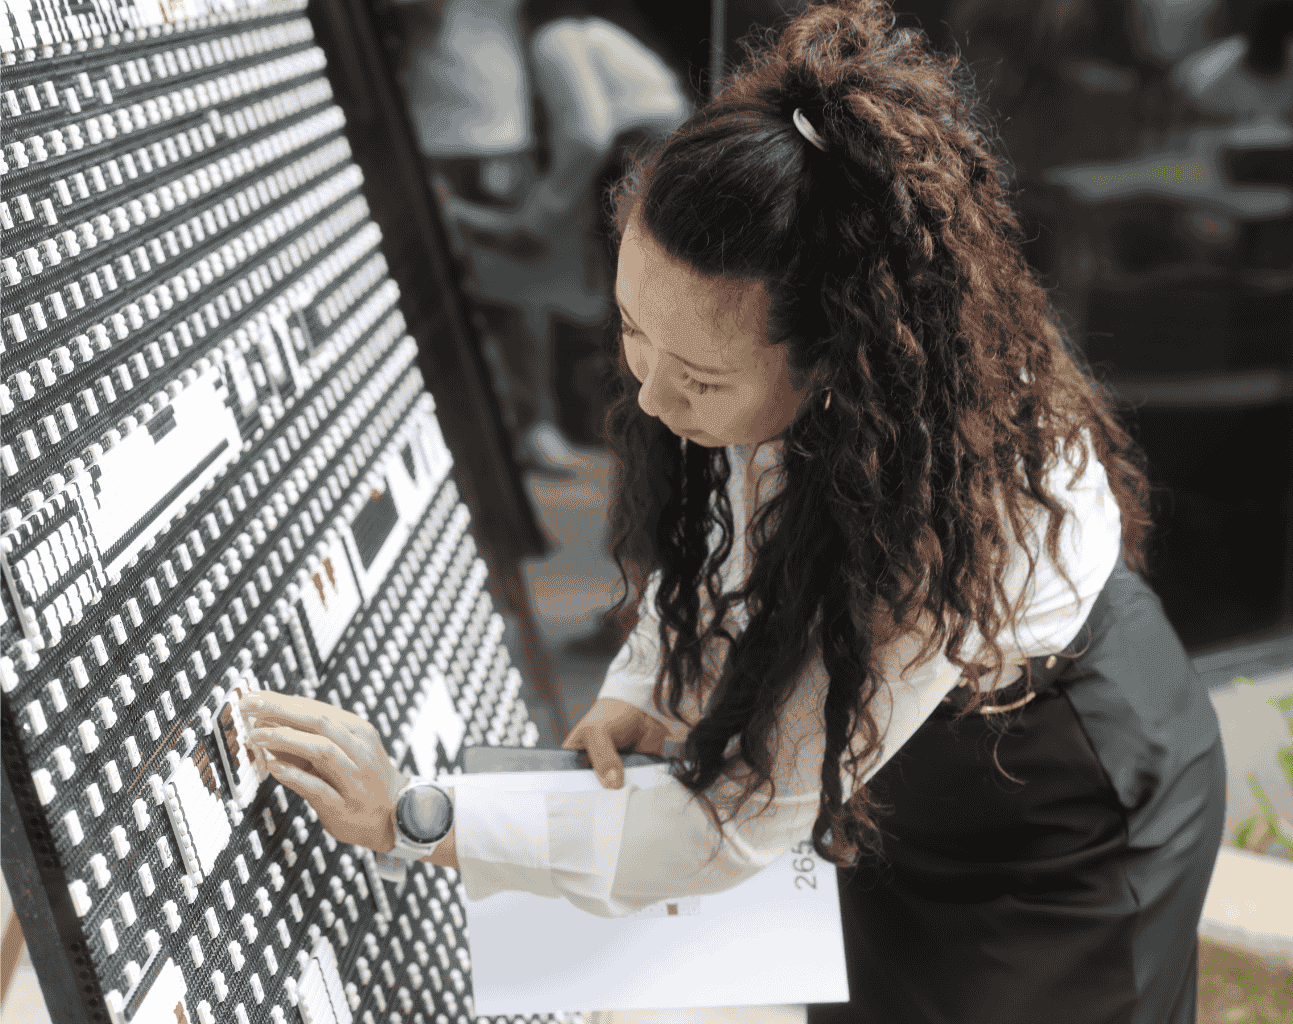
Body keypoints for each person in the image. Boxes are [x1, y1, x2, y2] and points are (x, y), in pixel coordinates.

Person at [242, 2, 1228, 1021]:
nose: (657, 401)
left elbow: (725, 828)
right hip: (900, 768)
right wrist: (648, 679)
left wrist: (417, 814)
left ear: (841, 360)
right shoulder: (758, 348)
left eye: (702, 380)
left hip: (1069, 804)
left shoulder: (933, 500)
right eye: (630, 328)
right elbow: (723, 548)